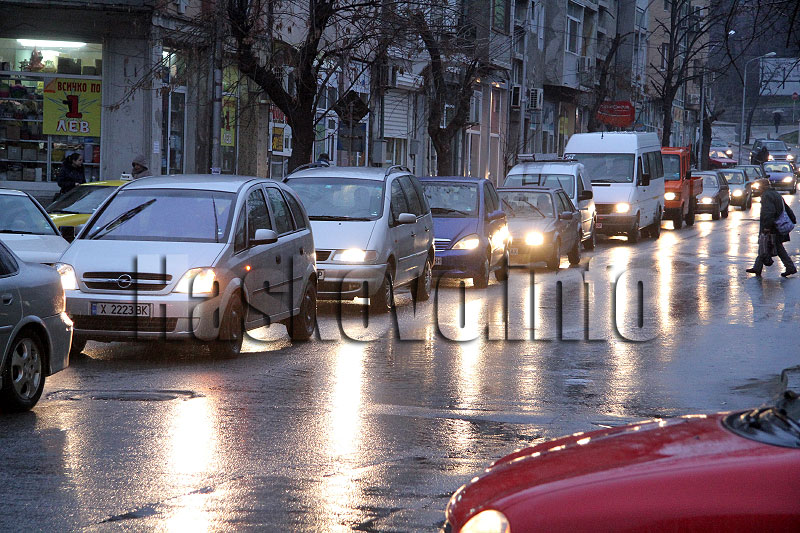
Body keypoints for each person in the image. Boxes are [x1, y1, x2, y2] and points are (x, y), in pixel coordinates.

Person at [747, 180, 797, 277]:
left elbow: (769, 212)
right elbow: (786, 208)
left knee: (770, 245)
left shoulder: (767, 196)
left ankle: (790, 267)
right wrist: (793, 218)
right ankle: (757, 267)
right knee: (766, 245)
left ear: (762, 187)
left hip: (773, 226)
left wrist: (767, 227)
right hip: (776, 226)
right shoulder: (775, 194)